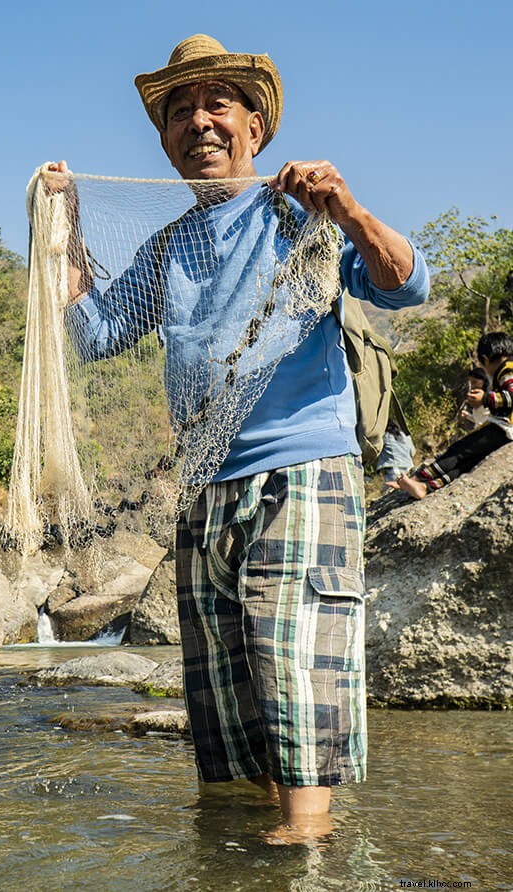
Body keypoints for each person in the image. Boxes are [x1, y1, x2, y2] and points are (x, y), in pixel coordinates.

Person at [46, 34, 429, 835]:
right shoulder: (169, 248)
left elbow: (406, 283)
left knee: (294, 661)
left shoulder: (303, 216)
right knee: (225, 693)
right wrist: (67, 228)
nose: (199, 122)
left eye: (217, 104)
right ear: (163, 142)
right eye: (179, 111)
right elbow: (89, 334)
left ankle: (307, 842)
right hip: (204, 487)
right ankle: (257, 852)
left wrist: (347, 208)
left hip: (304, 470)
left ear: (255, 127)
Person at [395, 332, 513, 499]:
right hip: (505, 430)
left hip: (504, 428)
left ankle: (418, 478)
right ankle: (424, 487)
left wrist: (485, 398)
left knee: (458, 450)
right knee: (466, 463)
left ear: (485, 360)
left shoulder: (507, 370)